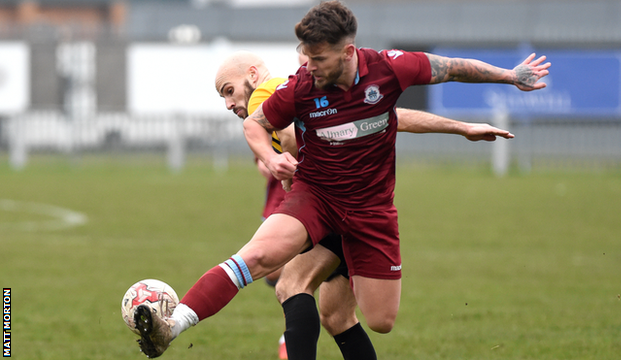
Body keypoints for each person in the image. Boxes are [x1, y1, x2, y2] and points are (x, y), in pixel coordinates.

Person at [133, 1, 549, 358]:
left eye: (317, 60)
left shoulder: (388, 69)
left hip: (370, 210)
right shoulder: (299, 89)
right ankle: (174, 325)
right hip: (316, 197)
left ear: (348, 52)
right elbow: (256, 127)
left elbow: (452, 70)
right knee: (260, 259)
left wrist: (509, 78)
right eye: (305, 58)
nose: (307, 68)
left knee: (373, 319)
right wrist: (271, 161)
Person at [214, 50, 515, 360]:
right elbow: (396, 118)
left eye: (229, 91)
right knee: (335, 316)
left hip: (337, 205)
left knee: (292, 285)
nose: (305, 66)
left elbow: (290, 137)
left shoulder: (278, 94)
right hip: (347, 206)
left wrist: (288, 171)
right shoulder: (319, 90)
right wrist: (461, 127)